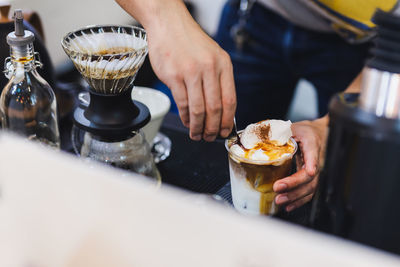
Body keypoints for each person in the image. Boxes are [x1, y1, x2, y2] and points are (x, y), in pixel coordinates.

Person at [115, 0, 392, 212]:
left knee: (341, 185)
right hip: (255, 16)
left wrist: (327, 127)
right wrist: (166, 19)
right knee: (197, 149)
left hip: (376, 43)